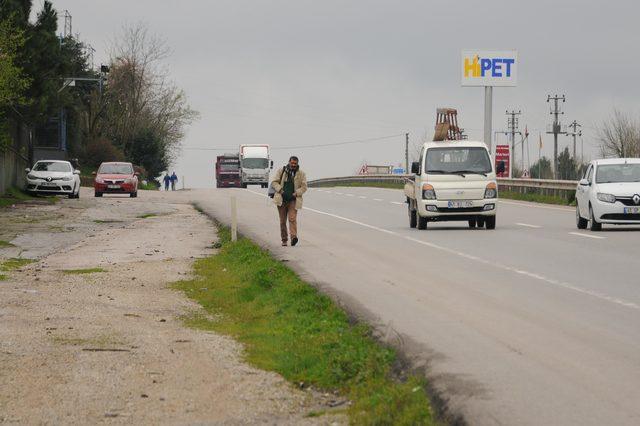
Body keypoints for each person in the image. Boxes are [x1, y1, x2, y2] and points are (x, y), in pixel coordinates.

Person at [271, 156, 307, 246]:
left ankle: (294, 237)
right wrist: (281, 190)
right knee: (283, 221)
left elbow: (304, 187)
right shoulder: (281, 171)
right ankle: (284, 240)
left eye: (295, 163)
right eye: (292, 163)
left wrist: (297, 193)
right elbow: (274, 182)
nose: (293, 165)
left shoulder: (301, 174)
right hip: (281, 200)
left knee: (292, 218)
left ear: (297, 163)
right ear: (289, 162)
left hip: (293, 200)